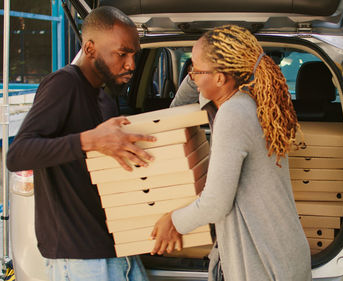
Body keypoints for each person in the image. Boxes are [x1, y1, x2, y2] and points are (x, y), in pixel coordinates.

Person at [150, 25, 312, 281]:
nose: (191, 76)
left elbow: (215, 204)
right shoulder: (247, 101)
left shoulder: (233, 113)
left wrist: (173, 221)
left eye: (195, 69)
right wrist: (201, 65)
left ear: (220, 78)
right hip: (279, 255)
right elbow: (176, 109)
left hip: (267, 264)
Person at [7, 6, 154, 281]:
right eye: (122, 54)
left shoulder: (103, 96)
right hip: (80, 258)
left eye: (135, 54)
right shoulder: (63, 84)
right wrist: (88, 140)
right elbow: (18, 154)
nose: (131, 64)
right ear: (90, 48)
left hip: (117, 248)